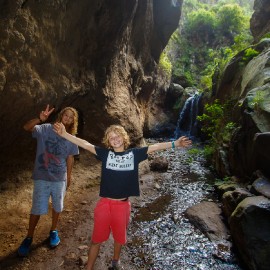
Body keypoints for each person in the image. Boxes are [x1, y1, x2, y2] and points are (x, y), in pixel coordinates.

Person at [53, 123, 192, 270]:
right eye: (111, 137)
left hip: (123, 206)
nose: (115, 139)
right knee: (96, 239)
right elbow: (85, 144)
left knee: (119, 237)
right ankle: (89, 267)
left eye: (117, 135)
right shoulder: (106, 154)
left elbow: (155, 147)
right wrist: (65, 134)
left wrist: (175, 143)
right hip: (105, 205)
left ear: (124, 137)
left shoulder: (134, 154)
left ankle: (115, 261)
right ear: (108, 141)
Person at [17, 105, 80, 257]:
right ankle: (29, 237)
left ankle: (53, 231)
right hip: (42, 176)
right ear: (61, 116)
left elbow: (70, 158)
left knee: (57, 207)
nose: (68, 119)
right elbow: (26, 127)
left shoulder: (71, 137)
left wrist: (69, 177)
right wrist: (40, 119)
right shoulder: (45, 128)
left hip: (59, 178)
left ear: (73, 121)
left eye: (71, 118)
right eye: (66, 115)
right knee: (37, 208)